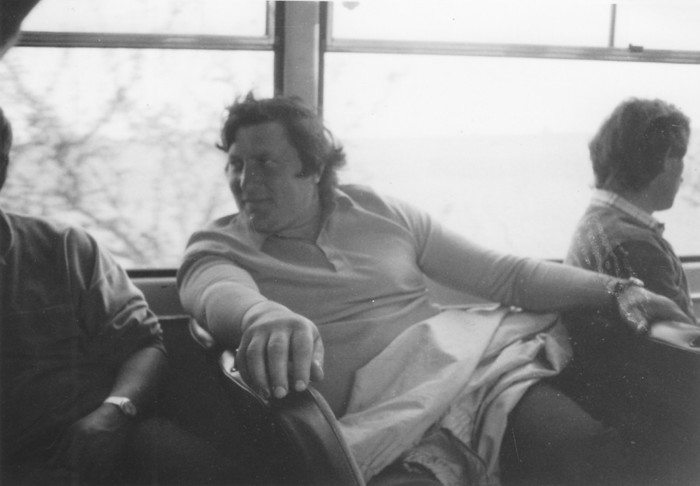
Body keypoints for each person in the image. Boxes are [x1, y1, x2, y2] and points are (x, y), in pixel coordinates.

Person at [177, 94, 692, 485]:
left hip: (472, 380)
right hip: (379, 428)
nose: (244, 180)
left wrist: (616, 289)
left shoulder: (378, 211)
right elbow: (218, 293)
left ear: (311, 167)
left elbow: (506, 275)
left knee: (586, 451)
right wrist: (264, 317)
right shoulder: (218, 247)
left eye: (263, 163)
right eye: (235, 164)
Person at [0, 107, 246, 485]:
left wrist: (114, 413)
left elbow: (145, 346)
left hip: (95, 439)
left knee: (202, 467)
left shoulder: (64, 249)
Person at [558, 98, 700, 484]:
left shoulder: (601, 222)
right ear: (664, 160)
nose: (684, 175)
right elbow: (686, 358)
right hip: (651, 423)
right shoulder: (632, 246)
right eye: (682, 159)